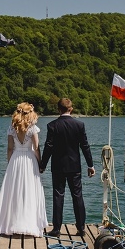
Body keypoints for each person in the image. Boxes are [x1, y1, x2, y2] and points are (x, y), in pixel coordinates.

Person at [39, 98, 95, 237]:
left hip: (58, 166)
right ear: (71, 109)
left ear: (58, 109)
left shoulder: (52, 125)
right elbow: (85, 146)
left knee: (58, 196)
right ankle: (81, 228)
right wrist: (90, 165)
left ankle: (57, 229)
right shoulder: (79, 125)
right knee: (77, 196)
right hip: (74, 166)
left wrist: (42, 165)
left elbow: (48, 146)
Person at [0, 102, 48, 237]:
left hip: (16, 159)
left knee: (13, 191)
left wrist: (10, 163)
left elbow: (10, 148)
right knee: (29, 191)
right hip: (29, 159)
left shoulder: (12, 128)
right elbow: (37, 148)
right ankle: (30, 223)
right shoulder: (33, 128)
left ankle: (11, 224)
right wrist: (40, 163)